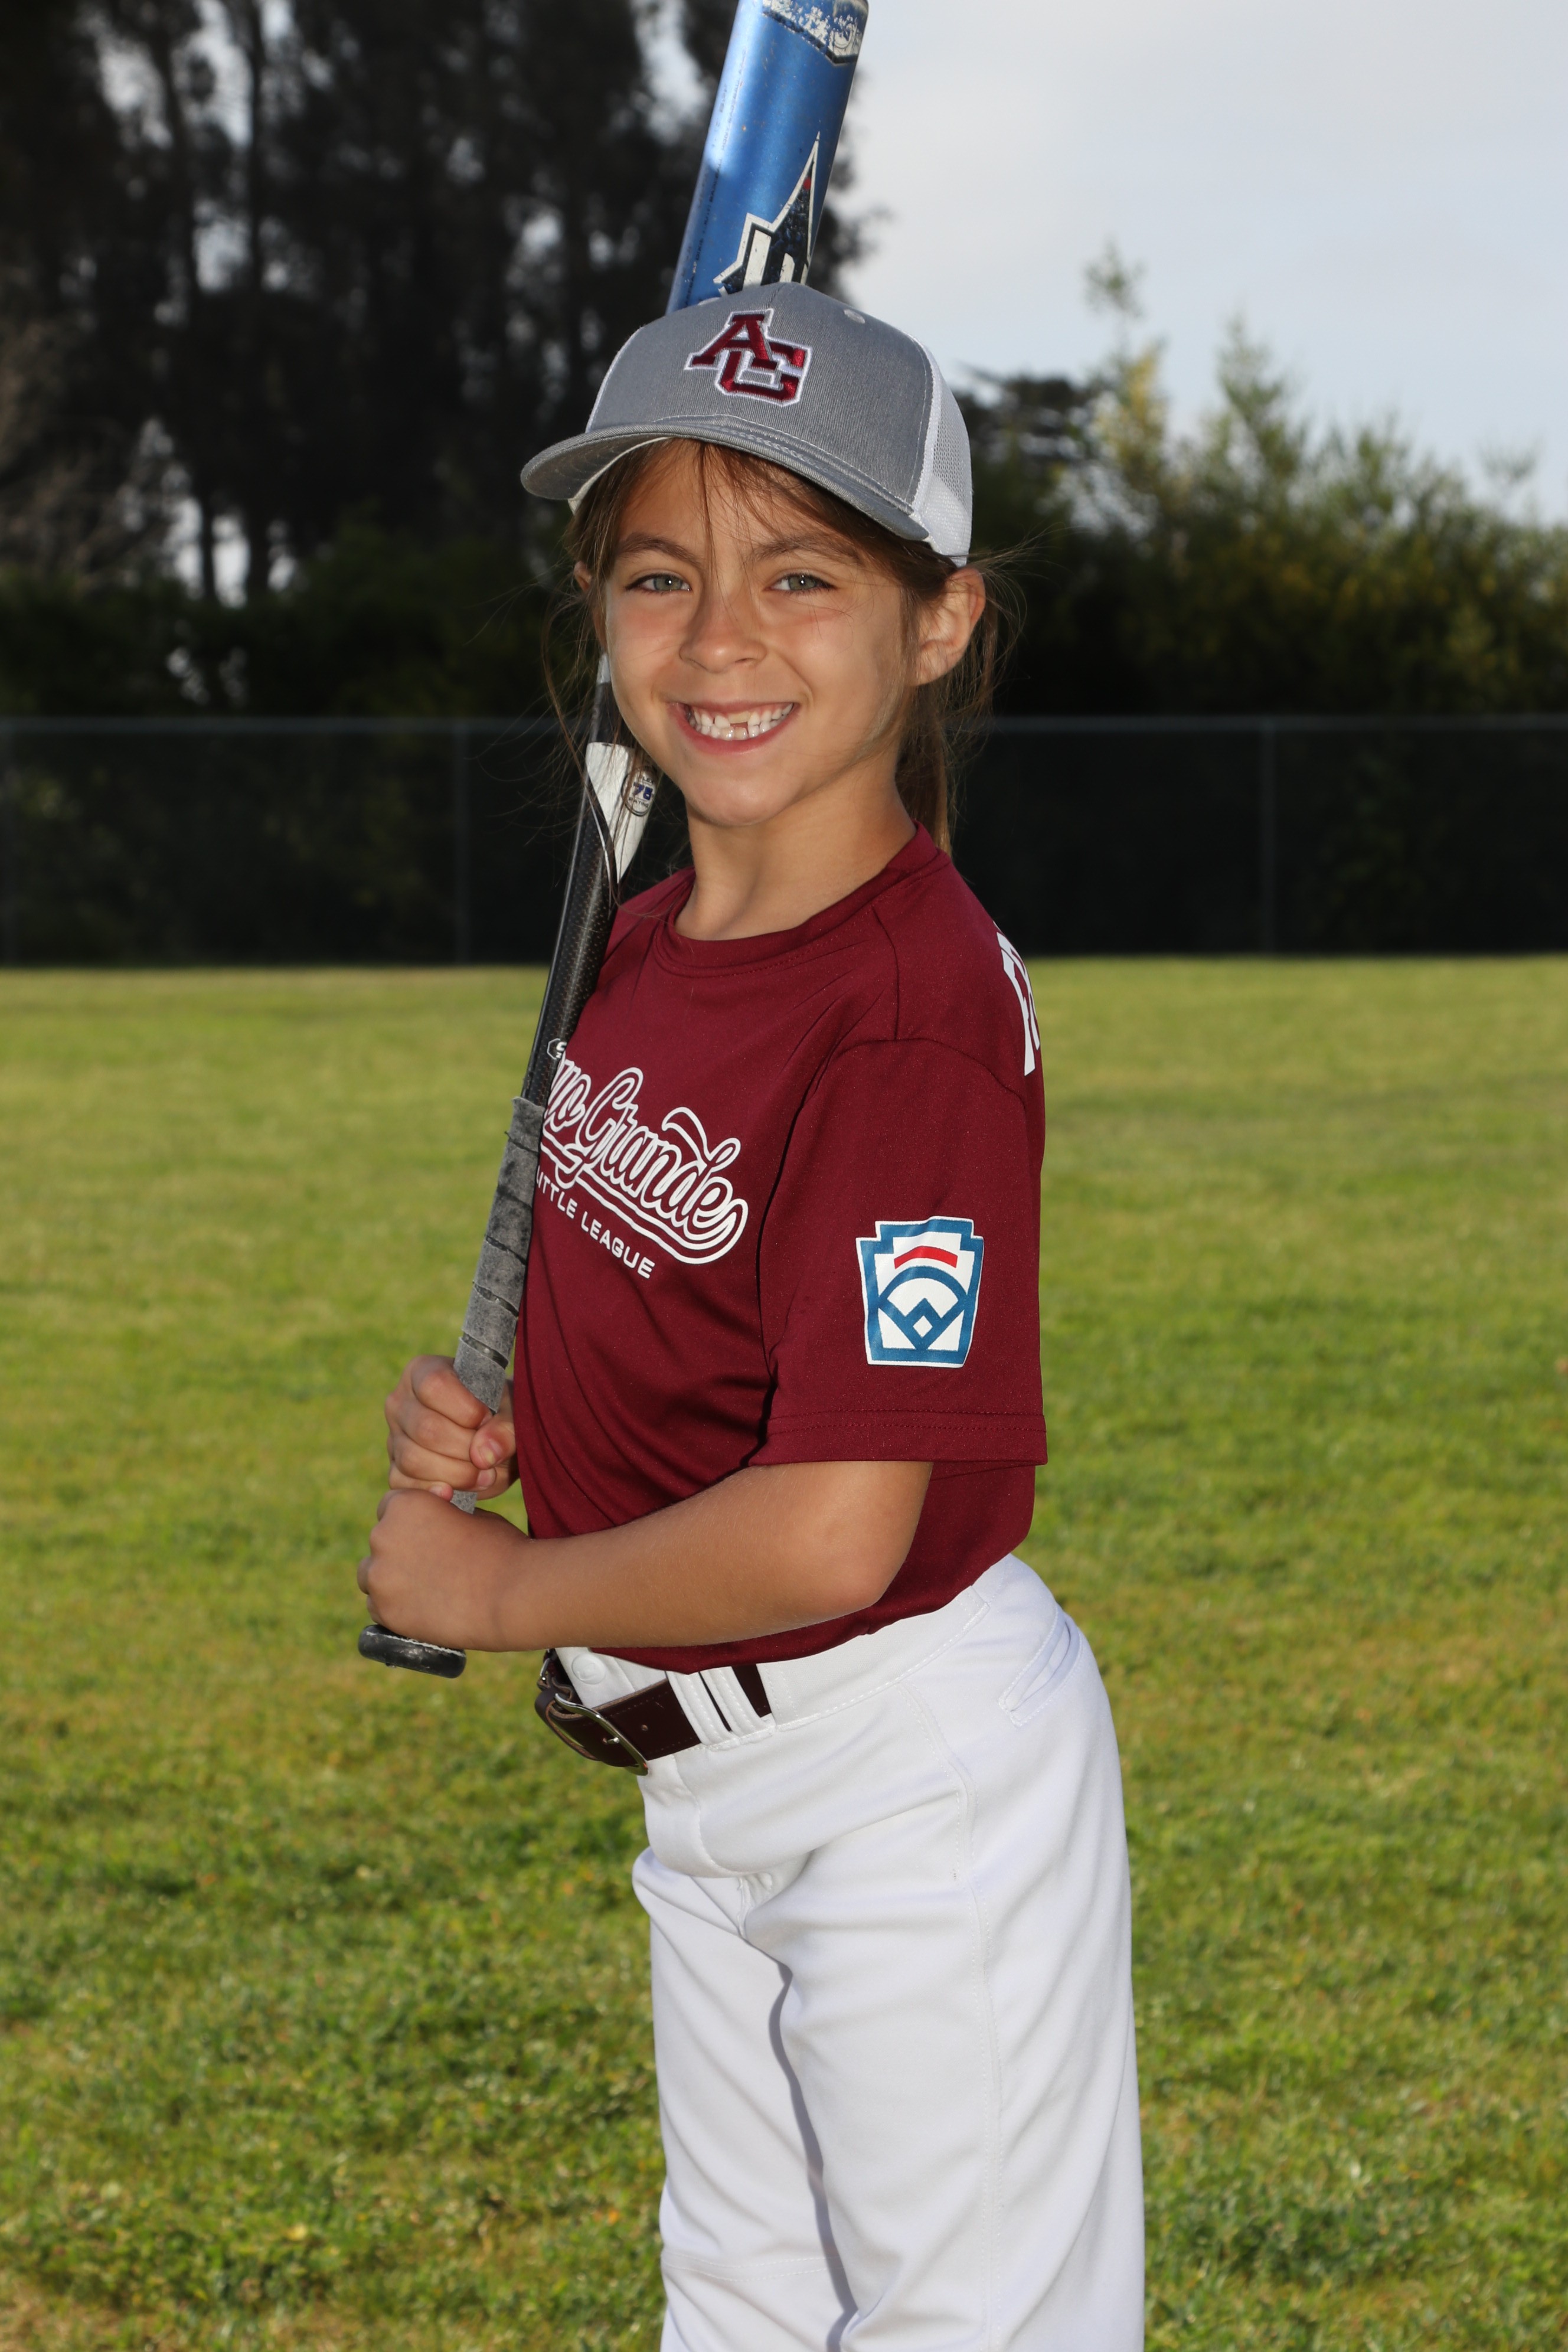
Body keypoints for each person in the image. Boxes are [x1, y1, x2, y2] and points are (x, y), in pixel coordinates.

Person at [360, 283, 1144, 2351]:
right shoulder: (641, 939)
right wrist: (508, 1426)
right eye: (659, 575)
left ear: (942, 621)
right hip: (708, 1785)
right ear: (597, 611)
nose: (719, 640)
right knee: (744, 2321)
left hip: (897, 1778)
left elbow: (832, 1527)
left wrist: (500, 1585)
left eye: (802, 576)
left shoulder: (906, 1016)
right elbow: (667, 1309)